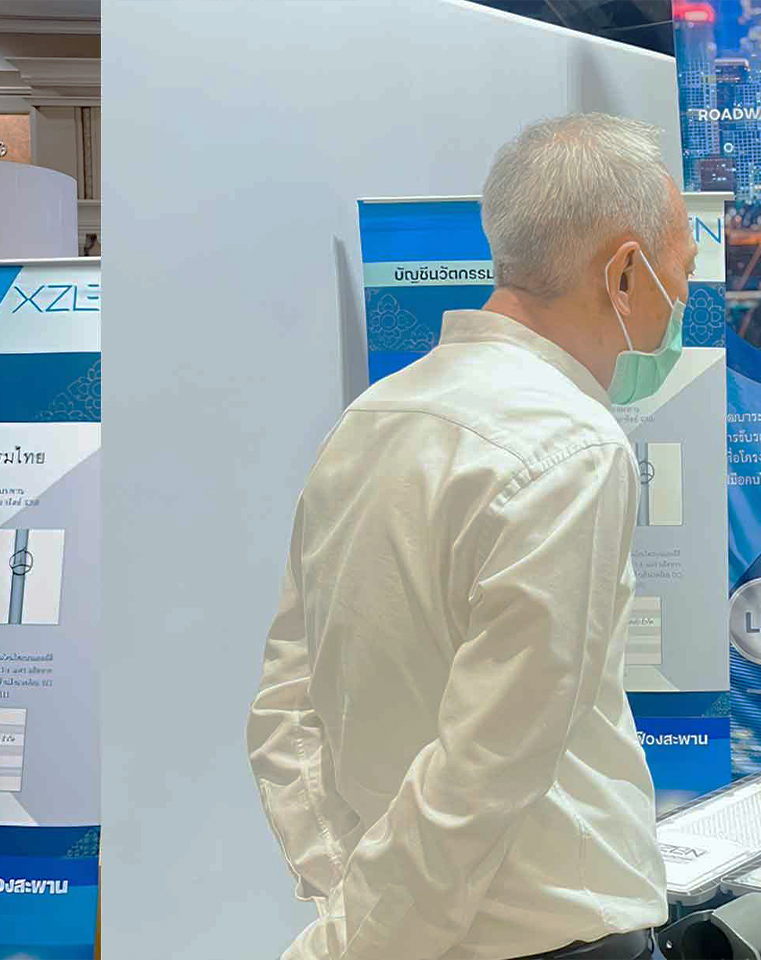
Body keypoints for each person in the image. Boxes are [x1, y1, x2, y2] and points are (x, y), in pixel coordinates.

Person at [246, 113, 698, 960]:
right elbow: (491, 762)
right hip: (541, 937)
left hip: (400, 919)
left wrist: (351, 896)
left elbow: (287, 702)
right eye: (686, 270)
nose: (684, 301)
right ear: (626, 271)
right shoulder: (573, 446)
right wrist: (352, 941)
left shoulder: (372, 416)